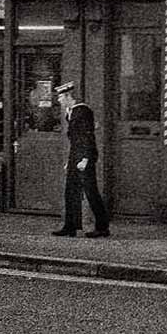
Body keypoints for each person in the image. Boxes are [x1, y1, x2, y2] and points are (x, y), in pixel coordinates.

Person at [51, 84, 108, 238]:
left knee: (91, 192)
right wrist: (70, 161)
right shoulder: (70, 113)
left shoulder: (82, 112)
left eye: (61, 97)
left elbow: (87, 137)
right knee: (70, 191)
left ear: (69, 96)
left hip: (84, 158)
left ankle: (102, 227)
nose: (59, 100)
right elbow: (75, 141)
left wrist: (86, 159)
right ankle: (70, 226)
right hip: (75, 157)